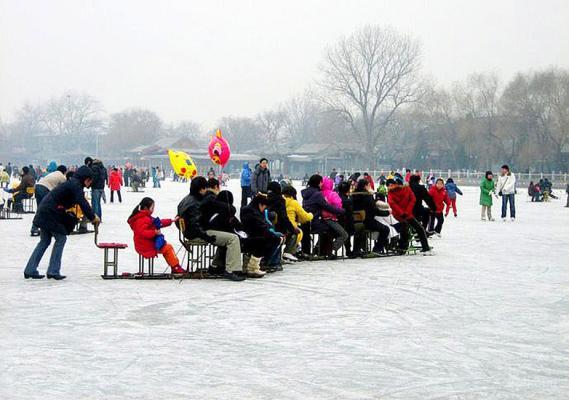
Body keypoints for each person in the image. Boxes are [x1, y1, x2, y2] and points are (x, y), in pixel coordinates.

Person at [23, 166, 100, 280]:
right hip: (50, 212)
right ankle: (53, 271)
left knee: (44, 241)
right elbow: (82, 201)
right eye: (90, 180)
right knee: (61, 238)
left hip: (45, 210)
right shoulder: (75, 185)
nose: (90, 183)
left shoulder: (73, 183)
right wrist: (93, 217)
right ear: (85, 178)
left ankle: (30, 269)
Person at [177, 176, 245, 281]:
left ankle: (216, 265)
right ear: (201, 189)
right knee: (233, 238)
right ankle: (232, 270)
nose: (206, 191)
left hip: (190, 232)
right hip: (198, 233)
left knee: (224, 236)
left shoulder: (185, 200)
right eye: (205, 188)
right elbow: (195, 225)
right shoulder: (195, 203)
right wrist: (206, 236)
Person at [127, 197, 186, 275]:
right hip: (145, 245)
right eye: (152, 207)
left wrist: (171, 221)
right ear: (145, 208)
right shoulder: (141, 218)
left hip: (146, 243)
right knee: (168, 248)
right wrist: (154, 232)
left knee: (167, 247)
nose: (153, 209)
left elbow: (159, 222)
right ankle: (175, 267)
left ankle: (175, 266)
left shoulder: (146, 217)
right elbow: (142, 232)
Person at [300, 174, 345, 257]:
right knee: (330, 230)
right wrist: (340, 211)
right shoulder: (317, 194)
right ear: (318, 183)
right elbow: (327, 206)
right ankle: (326, 251)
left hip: (307, 221)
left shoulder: (306, 193)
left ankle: (316, 250)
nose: (322, 184)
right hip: (314, 221)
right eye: (321, 182)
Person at [240, 194, 283, 277]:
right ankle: (254, 266)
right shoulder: (252, 212)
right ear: (260, 204)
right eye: (264, 207)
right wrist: (272, 234)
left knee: (273, 238)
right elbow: (260, 227)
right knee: (271, 240)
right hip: (250, 237)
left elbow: (263, 225)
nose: (264, 210)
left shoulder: (252, 210)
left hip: (252, 235)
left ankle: (256, 264)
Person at [386, 177, 431, 255]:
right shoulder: (394, 192)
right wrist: (404, 212)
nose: (389, 187)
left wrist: (405, 212)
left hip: (404, 214)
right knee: (409, 229)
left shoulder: (404, 189)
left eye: (390, 185)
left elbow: (411, 199)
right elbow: (393, 204)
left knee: (417, 228)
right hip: (402, 215)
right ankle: (404, 247)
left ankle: (423, 247)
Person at [351, 178, 390, 254]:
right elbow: (375, 211)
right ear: (365, 186)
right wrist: (387, 213)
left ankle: (358, 249)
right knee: (386, 229)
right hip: (368, 221)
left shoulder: (354, 195)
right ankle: (377, 249)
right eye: (369, 185)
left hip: (355, 221)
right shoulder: (368, 197)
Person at [30, 165, 68, 236]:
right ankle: (49, 228)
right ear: (64, 171)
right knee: (48, 209)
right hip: (45, 189)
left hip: (38, 187)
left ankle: (34, 228)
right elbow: (64, 189)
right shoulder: (62, 177)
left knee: (40, 209)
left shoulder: (52, 173)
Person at [282, 186, 313, 261]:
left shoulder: (280, 201)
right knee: (298, 232)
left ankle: (292, 251)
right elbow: (305, 216)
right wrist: (311, 215)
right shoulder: (294, 203)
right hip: (291, 227)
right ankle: (289, 252)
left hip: (280, 226)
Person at [321, 177, 349, 255]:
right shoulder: (332, 194)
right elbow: (338, 205)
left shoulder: (319, 193)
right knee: (344, 235)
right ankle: (332, 248)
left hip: (320, 219)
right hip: (330, 218)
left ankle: (321, 249)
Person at [337, 181, 356, 257]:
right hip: (345, 223)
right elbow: (350, 215)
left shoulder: (336, 197)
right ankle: (348, 250)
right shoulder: (347, 201)